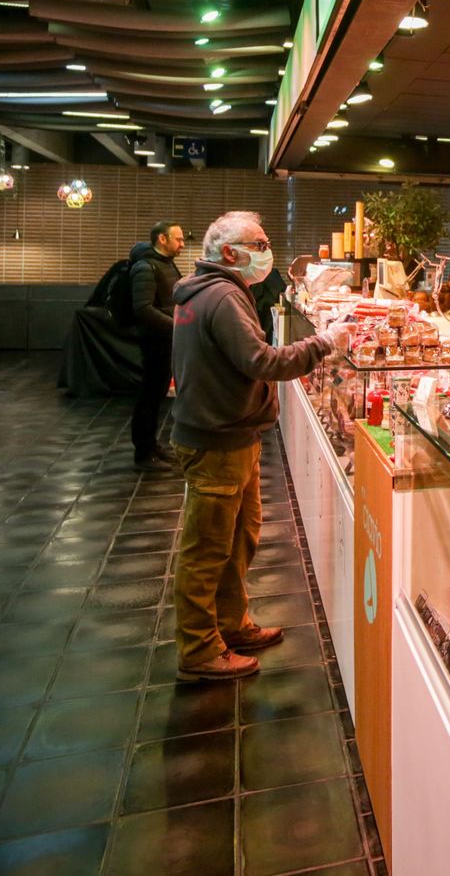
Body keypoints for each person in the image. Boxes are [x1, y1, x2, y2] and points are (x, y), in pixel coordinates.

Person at [170, 211, 351, 680]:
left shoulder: (206, 290)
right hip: (216, 440)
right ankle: (198, 649)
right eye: (259, 241)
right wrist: (324, 343)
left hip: (231, 433)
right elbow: (261, 361)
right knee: (207, 550)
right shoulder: (224, 295)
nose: (267, 249)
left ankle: (231, 624)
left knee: (238, 540)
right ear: (229, 253)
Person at [129, 221, 184, 470]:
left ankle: (152, 445)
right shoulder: (145, 266)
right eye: (179, 239)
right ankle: (143, 452)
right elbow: (143, 308)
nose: (182, 244)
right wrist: (176, 326)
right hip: (154, 341)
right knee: (149, 396)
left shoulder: (166, 264)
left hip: (166, 340)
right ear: (162, 239)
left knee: (157, 395)